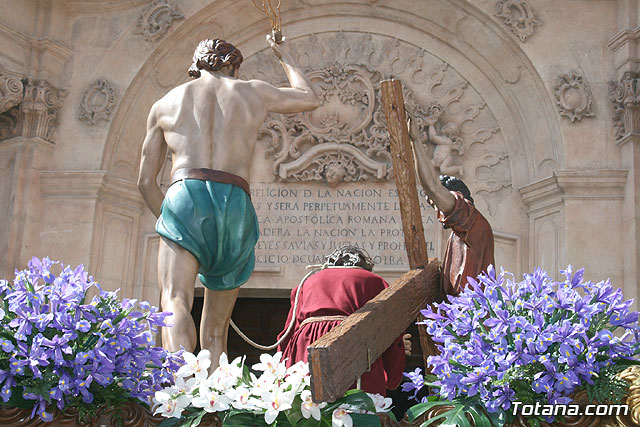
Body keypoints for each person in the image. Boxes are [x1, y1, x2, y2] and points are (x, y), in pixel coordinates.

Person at [137, 36, 320, 368]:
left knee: (175, 298)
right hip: (235, 198)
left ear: (197, 64)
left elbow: (145, 182)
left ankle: (179, 389)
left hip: (184, 193)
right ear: (233, 65)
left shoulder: (165, 104)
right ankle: (215, 401)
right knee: (217, 330)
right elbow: (309, 98)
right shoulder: (252, 91)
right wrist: (285, 55)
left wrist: (172, 224)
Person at [276, 246, 408, 396]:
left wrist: (280, 377)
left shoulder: (307, 282)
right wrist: (393, 373)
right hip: (353, 345)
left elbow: (287, 334)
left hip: (308, 347)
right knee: (354, 412)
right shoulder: (375, 282)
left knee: (308, 409)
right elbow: (389, 333)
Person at [409, 115, 494, 296]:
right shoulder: (460, 233)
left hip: (470, 318)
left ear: (457, 196)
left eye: (436, 203)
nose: (437, 211)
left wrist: (415, 140)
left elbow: (432, 187)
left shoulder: (471, 221)